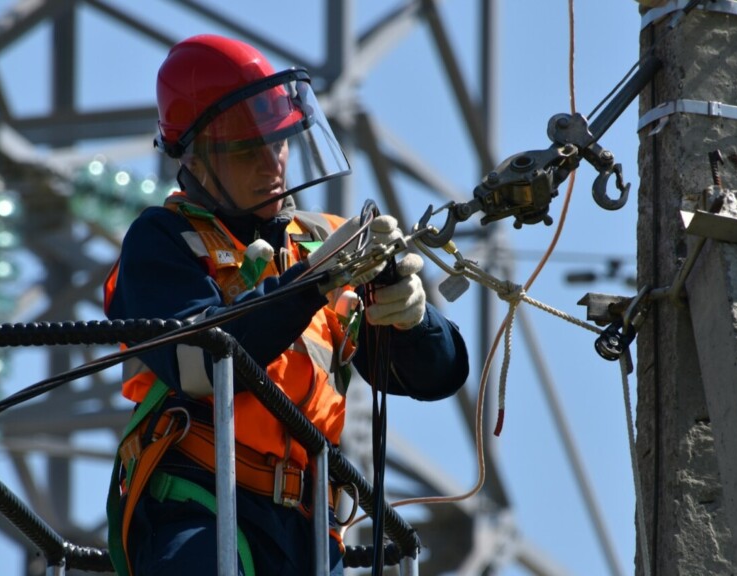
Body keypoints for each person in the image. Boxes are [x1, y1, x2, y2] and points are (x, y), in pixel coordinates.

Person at [103, 34, 469, 576]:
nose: (273, 163)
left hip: (310, 530)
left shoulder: (325, 241)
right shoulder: (162, 241)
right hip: (201, 499)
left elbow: (435, 377)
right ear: (197, 159)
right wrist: (310, 285)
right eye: (249, 149)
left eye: (279, 142)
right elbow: (200, 363)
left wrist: (415, 319)